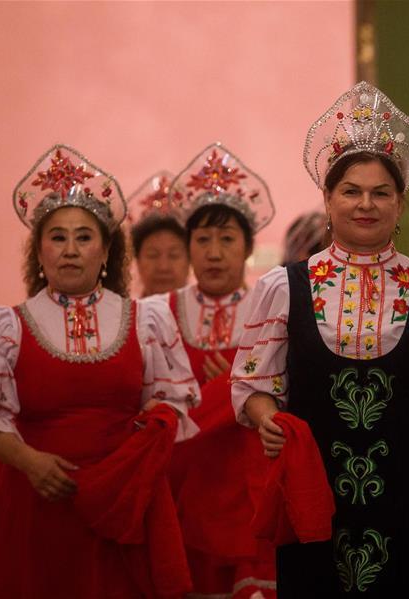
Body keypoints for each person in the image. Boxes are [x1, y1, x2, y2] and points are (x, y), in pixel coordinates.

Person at [231, 82, 409, 598]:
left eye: (381, 192)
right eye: (351, 191)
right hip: (315, 502)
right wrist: (265, 418)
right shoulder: (283, 288)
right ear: (327, 198)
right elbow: (254, 382)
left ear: (401, 202)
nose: (366, 204)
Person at [0, 144, 200, 598]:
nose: (70, 250)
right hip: (31, 501)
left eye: (84, 237)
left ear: (106, 250)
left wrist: (144, 440)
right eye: (57, 237)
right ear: (39, 251)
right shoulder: (2, 326)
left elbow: (173, 398)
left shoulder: (146, 320)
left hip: (122, 508)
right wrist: (31, 462)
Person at [164, 142, 278, 598]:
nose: (214, 253)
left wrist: (229, 386)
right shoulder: (158, 313)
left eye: (227, 239)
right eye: (203, 240)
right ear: (187, 247)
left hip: (249, 488)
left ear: (248, 248)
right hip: (182, 486)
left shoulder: (271, 310)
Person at [127, 171, 191, 297]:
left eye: (174, 255)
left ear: (190, 260)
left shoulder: (206, 315)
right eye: (152, 255)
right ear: (137, 260)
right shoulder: (123, 315)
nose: (163, 267)